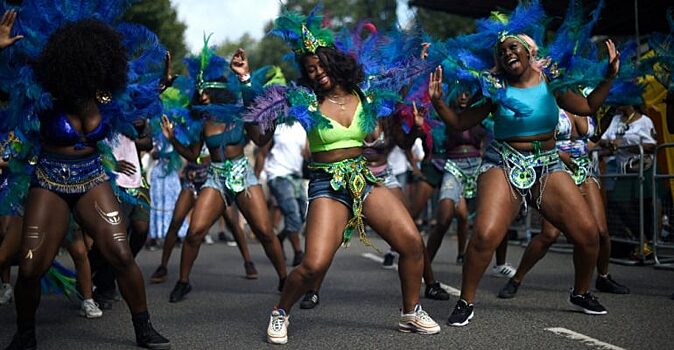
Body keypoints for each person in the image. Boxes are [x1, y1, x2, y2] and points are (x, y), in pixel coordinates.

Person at [239, 8, 441, 344]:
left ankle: (410, 312)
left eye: (320, 66)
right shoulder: (303, 100)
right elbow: (259, 131)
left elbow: (397, 76)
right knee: (313, 265)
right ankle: (280, 312)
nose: (316, 73)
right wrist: (246, 82)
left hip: (363, 178)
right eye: (309, 69)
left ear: (334, 62)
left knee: (412, 244)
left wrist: (417, 60)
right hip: (327, 184)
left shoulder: (364, 92)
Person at [430, 29, 620, 325]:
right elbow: (459, 121)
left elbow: (587, 106)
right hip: (503, 162)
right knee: (485, 235)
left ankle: (581, 292)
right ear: (499, 60)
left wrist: (609, 76)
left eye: (513, 47)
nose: (508, 53)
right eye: (502, 51)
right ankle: (466, 301)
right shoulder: (494, 88)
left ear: (530, 53)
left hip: (547, 163)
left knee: (588, 235)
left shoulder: (551, 81)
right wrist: (439, 102)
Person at [6, 19, 169, 349]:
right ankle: (25, 334)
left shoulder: (105, 96)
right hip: (50, 178)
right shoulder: (46, 91)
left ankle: (144, 329)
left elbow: (138, 108)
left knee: (122, 255)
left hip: (92, 177)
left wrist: (158, 85)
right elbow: (7, 87)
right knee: (30, 266)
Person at [160, 43, 287, 303]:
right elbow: (193, 155)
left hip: (243, 174)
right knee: (195, 232)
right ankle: (183, 282)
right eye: (201, 91)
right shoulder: (203, 122)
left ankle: (285, 278)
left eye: (208, 90)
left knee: (264, 231)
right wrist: (172, 139)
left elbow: (261, 141)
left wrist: (271, 123)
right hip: (215, 177)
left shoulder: (240, 116)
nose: (204, 94)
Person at [499, 109, 630, 299]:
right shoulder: (549, 103)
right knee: (549, 235)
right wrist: (561, 156)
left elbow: (587, 142)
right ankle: (516, 279)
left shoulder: (584, 103)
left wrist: (602, 143)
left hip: (583, 170)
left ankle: (603, 277)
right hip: (557, 169)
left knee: (600, 232)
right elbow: (538, 141)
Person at [255, 122, 309, 267]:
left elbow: (307, 152)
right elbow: (262, 152)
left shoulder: (302, 124)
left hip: (296, 176)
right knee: (292, 213)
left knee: (302, 215)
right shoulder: (275, 125)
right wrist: (255, 179)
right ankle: (298, 253)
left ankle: (280, 237)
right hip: (277, 175)